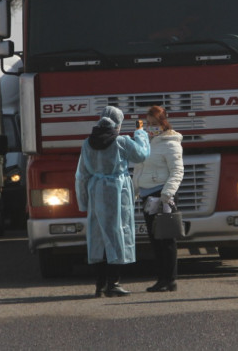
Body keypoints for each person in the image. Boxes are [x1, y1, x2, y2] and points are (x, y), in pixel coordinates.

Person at [75, 106, 150, 297]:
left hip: (95, 190)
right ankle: (113, 283)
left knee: (98, 236)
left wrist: (83, 201)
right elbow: (141, 155)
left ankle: (99, 285)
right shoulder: (121, 141)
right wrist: (140, 133)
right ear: (118, 123)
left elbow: (81, 175)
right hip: (117, 190)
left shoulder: (87, 143)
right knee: (117, 233)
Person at [132, 105, 184, 292]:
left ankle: (170, 279)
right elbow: (139, 168)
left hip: (162, 195)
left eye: (154, 123)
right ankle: (162, 278)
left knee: (166, 239)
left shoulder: (170, 143)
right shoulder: (147, 142)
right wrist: (135, 189)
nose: (150, 127)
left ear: (163, 122)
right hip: (148, 196)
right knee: (155, 239)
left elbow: (177, 171)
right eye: (148, 123)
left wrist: (167, 194)